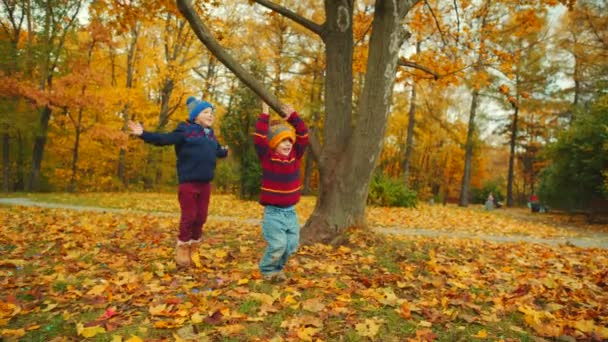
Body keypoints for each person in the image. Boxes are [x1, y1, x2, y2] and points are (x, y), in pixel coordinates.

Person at [127, 96, 228, 268]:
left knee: (201, 217)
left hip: (205, 184)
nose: (210, 115)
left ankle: (194, 247)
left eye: (212, 113)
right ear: (195, 116)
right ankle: (182, 247)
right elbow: (164, 139)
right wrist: (143, 134)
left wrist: (224, 152)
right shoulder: (185, 131)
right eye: (206, 112)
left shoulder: (211, 135)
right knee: (189, 216)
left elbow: (217, 151)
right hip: (188, 183)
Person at [253, 101, 309, 282]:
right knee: (278, 244)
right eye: (282, 141)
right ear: (273, 143)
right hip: (273, 213)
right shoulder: (267, 158)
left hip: (291, 212)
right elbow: (259, 139)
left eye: (289, 140)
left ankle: (278, 269)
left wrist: (294, 117)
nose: (287, 144)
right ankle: (268, 270)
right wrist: (264, 115)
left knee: (291, 246)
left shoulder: (295, 157)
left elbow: (303, 135)